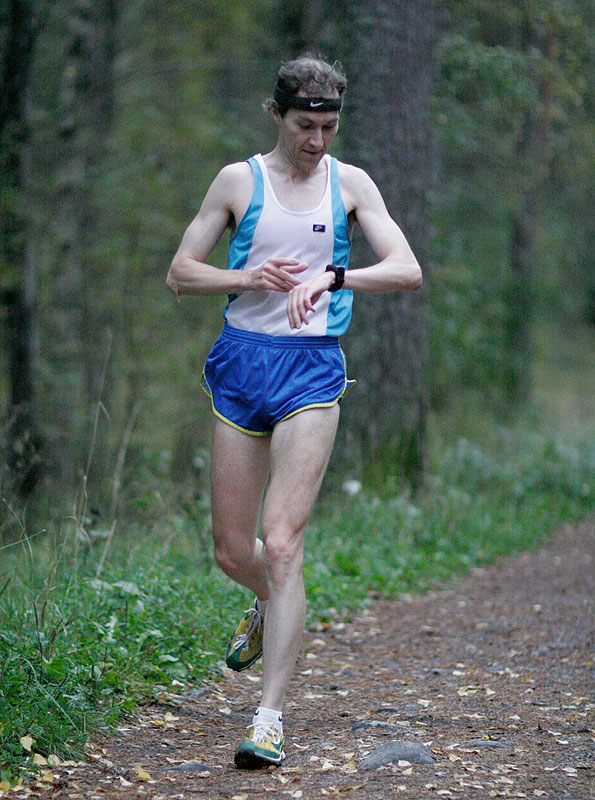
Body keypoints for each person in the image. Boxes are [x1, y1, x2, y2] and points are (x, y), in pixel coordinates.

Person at [166, 55, 422, 770]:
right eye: (306, 126)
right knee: (232, 549)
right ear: (275, 115)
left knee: (281, 543)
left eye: (329, 127)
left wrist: (336, 276)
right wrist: (247, 275)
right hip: (240, 364)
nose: (317, 141)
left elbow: (406, 269)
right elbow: (180, 272)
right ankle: (272, 605)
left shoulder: (351, 184)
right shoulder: (237, 181)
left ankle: (269, 719)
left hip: (311, 368)